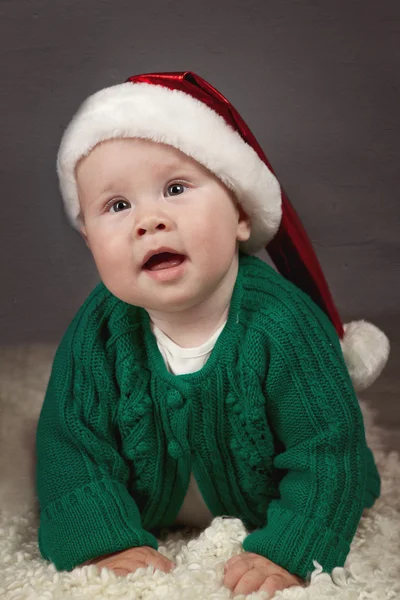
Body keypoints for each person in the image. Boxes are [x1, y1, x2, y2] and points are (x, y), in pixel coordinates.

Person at [35, 71, 390, 597]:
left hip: (271, 499)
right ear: (89, 239)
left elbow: (325, 450)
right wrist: (102, 540)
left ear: (242, 213)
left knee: (342, 464)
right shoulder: (100, 330)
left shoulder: (284, 324)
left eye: (175, 189)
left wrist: (293, 547)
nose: (148, 221)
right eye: (117, 206)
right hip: (152, 504)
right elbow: (70, 444)